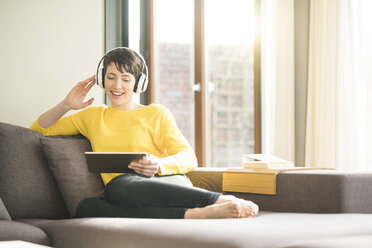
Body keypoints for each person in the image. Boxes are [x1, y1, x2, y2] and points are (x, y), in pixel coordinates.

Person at [30, 47, 259, 219]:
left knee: (118, 188)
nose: (117, 85)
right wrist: (66, 104)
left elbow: (189, 158)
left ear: (138, 83)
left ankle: (218, 199)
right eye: (110, 77)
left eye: (126, 79)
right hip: (125, 193)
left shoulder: (156, 113)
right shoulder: (92, 116)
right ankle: (196, 215)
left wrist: (158, 165)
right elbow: (38, 130)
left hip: (165, 183)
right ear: (102, 79)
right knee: (86, 208)